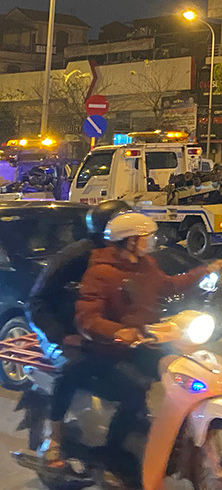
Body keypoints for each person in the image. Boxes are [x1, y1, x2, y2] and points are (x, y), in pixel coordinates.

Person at [74, 212, 222, 484]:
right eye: (146, 237)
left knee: (187, 374)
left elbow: (170, 285)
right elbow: (86, 318)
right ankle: (111, 459)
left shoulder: (146, 266)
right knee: (133, 394)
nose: (150, 241)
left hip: (143, 343)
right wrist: (118, 331)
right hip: (108, 351)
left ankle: (173, 438)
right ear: (131, 241)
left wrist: (206, 270)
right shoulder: (100, 272)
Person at [30, 200, 130, 466]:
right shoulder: (73, 258)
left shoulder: (128, 258)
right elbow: (37, 302)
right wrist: (61, 335)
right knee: (75, 366)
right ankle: (54, 438)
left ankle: (128, 436)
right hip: (62, 331)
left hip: (101, 331)